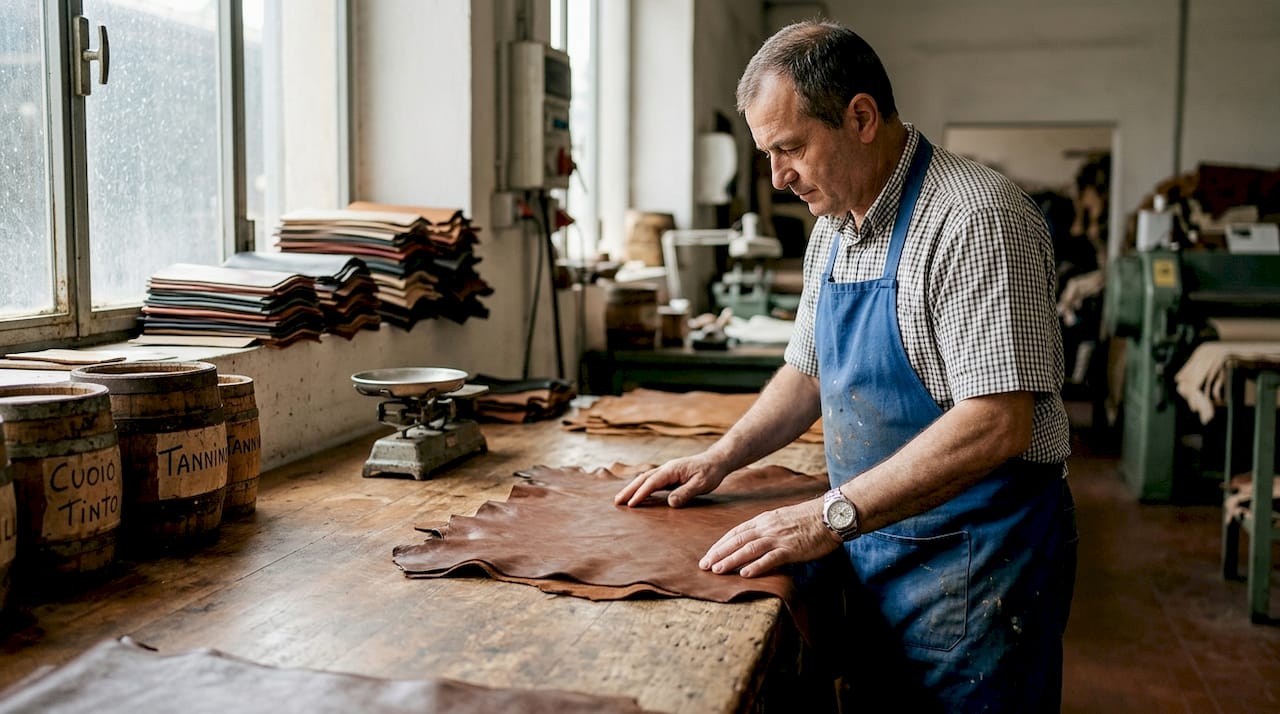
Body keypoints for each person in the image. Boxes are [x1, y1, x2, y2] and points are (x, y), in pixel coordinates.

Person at [615, 19, 1077, 713]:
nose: (778, 177)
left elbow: (997, 425)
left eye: (790, 148)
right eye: (768, 153)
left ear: (860, 117)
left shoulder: (976, 219)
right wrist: (721, 458)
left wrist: (826, 516)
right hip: (877, 542)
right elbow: (807, 372)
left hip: (980, 561)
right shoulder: (834, 227)